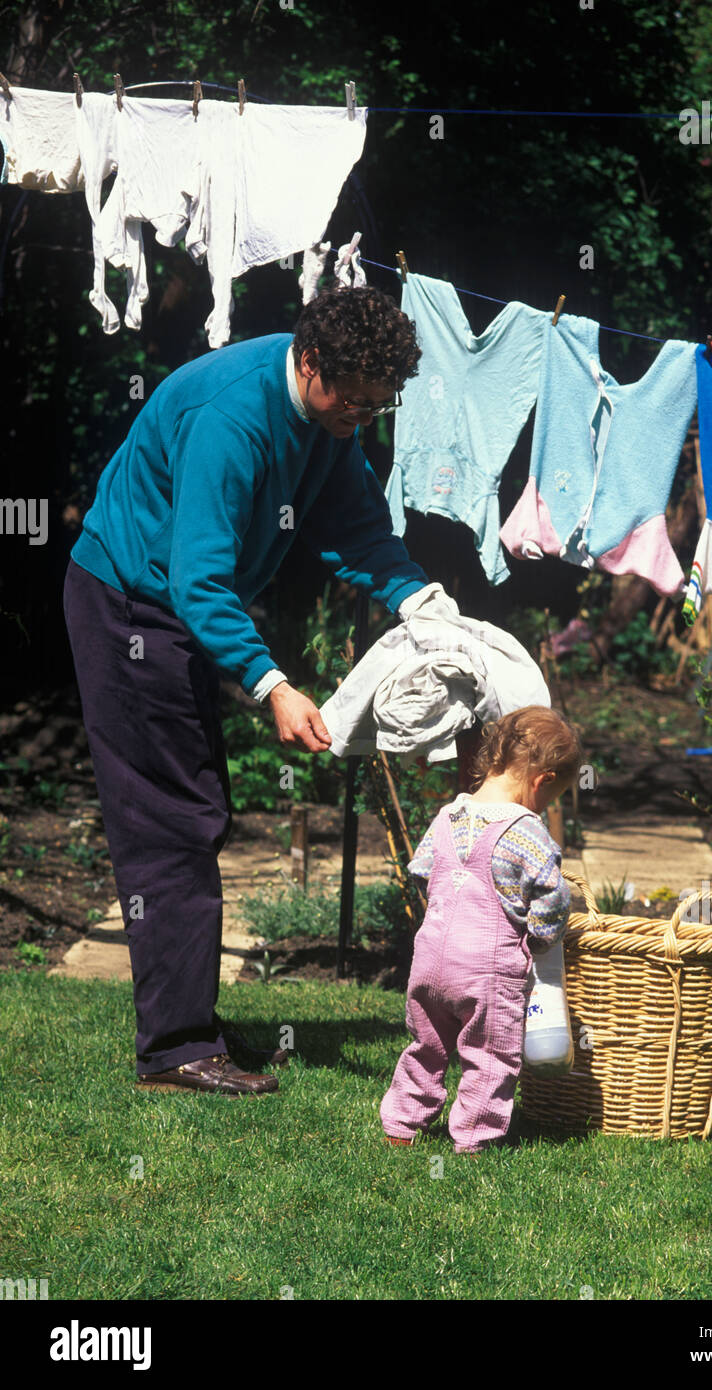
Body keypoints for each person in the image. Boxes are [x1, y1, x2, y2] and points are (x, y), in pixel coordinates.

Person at [63, 286, 432, 1095]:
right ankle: (176, 1049)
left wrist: (418, 600)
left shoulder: (331, 419)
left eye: (378, 405)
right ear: (309, 363)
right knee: (171, 820)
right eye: (353, 399)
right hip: (132, 602)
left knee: (193, 811)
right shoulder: (232, 418)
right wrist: (271, 684)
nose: (361, 417)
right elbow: (199, 582)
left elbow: (358, 529)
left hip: (172, 604)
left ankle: (184, 1024)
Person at [380, 705, 583, 1153]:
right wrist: (542, 938)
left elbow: (423, 872)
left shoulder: (448, 817)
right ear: (542, 781)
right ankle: (474, 1138)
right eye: (551, 798)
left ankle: (401, 1124)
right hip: (487, 971)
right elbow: (555, 897)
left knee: (426, 1047)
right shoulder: (529, 832)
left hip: (430, 962)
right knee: (490, 1056)